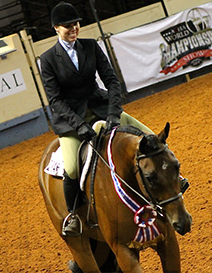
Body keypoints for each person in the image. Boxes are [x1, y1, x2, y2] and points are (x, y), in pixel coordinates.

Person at [40, 1, 153, 236]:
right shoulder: (49, 59)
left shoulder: (90, 46)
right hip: (72, 120)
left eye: (76, 24)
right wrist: (79, 125)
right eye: (68, 26)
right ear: (56, 29)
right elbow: (55, 100)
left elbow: (111, 80)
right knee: (71, 168)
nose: (74, 28)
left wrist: (113, 114)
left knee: (148, 135)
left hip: (100, 108)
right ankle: (72, 215)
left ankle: (173, 179)